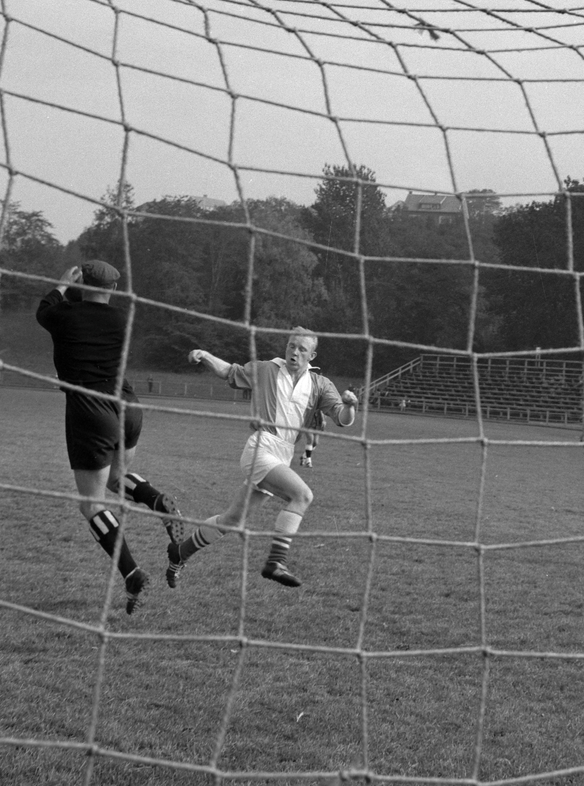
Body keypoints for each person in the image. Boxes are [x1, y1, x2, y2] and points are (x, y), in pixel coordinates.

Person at [37, 261, 185, 615]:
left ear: (81, 282)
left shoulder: (64, 314)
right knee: (117, 479)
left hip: (91, 411)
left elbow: (45, 309)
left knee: (91, 503)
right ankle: (159, 502)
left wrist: (62, 283)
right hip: (128, 405)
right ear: (115, 289)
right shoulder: (121, 320)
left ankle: (132, 573)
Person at [168, 328, 358, 589]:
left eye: (302, 349)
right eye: (292, 346)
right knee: (302, 496)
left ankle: (180, 552)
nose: (294, 352)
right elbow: (229, 372)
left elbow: (342, 420)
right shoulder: (266, 369)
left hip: (283, 455)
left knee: (232, 520)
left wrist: (350, 406)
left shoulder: (320, 384)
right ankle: (275, 562)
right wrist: (205, 355)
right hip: (261, 448)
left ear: (311, 355)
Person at [300, 401, 325, 468]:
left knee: (315, 442)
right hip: (308, 423)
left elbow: (321, 411)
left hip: (317, 424)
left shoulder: (319, 400)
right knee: (310, 440)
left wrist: (323, 421)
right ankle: (308, 461)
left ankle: (304, 456)